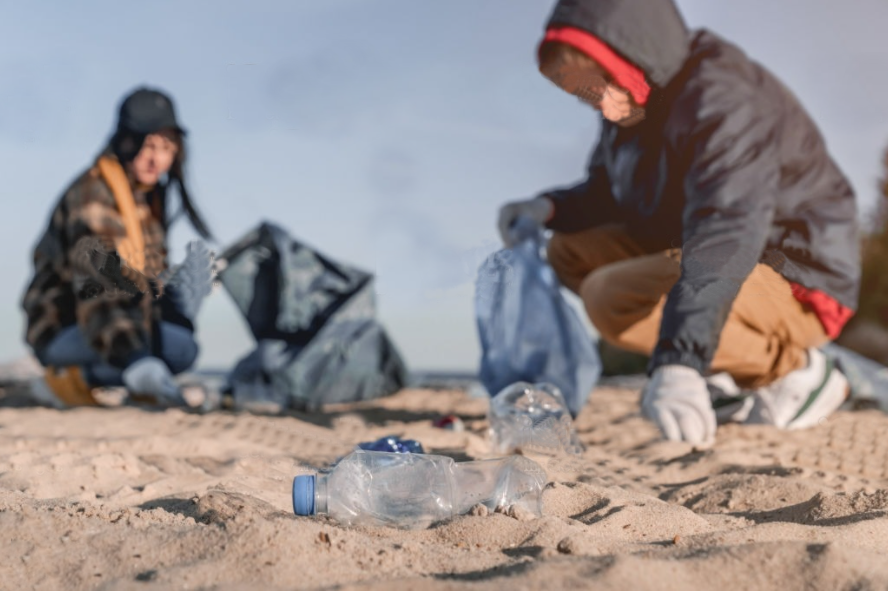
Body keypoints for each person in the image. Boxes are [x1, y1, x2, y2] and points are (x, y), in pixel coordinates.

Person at [498, 0, 860, 446]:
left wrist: (679, 362)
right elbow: (606, 193)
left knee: (612, 298)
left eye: (606, 85)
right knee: (567, 250)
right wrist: (546, 208)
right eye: (587, 95)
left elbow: (727, 231)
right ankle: (728, 367)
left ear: (637, 55)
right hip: (703, 247)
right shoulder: (629, 106)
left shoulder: (725, 98)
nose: (606, 109)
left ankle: (800, 373)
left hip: (797, 274)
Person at [21, 87, 214, 406]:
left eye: (167, 146)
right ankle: (69, 379)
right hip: (65, 325)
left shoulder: (145, 200)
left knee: (184, 346)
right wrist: (136, 357)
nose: (156, 158)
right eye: (148, 144)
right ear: (126, 141)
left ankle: (126, 372)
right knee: (164, 351)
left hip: (121, 317)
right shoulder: (93, 193)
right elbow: (99, 284)